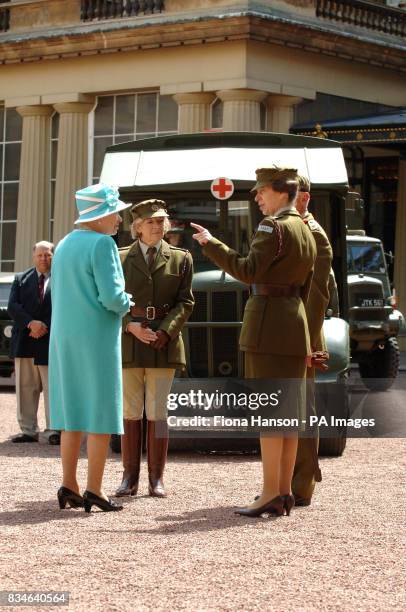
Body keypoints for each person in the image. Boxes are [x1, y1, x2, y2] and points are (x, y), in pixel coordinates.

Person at [191, 167, 317, 518]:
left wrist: (211, 244)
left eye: (261, 191)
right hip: (294, 324)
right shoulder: (304, 227)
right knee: (288, 415)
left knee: (269, 415)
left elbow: (247, 270)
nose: (258, 198)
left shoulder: (272, 226)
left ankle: (268, 494)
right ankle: (284, 492)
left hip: (268, 326)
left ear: (279, 191)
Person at [48, 183, 132, 513]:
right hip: (95, 337)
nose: (118, 220)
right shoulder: (102, 244)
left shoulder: (65, 243)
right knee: (100, 415)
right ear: (100, 216)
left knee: (71, 415)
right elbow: (112, 298)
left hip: (65, 337)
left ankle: (69, 484)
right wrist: (128, 303)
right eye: (115, 214)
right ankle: (95, 490)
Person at [115, 199, 194, 499]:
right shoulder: (120, 259)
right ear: (137, 227)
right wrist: (129, 325)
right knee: (131, 412)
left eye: (161, 221)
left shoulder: (181, 258)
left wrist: (166, 331)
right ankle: (129, 478)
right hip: (131, 343)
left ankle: (156, 479)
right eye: (151, 222)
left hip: (164, 343)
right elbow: (109, 300)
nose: (158, 226)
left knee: (158, 412)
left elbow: (185, 302)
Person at [292, 175, 333, 506]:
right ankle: (286, 481)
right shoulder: (292, 228)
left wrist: (306, 342)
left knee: (302, 409)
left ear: (303, 199)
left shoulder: (313, 234)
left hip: (304, 330)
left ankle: (301, 486)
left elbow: (318, 295)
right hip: (290, 328)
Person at [8, 241, 60, 445]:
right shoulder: (21, 279)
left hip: (49, 340)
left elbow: (64, 306)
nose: (43, 259)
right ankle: (28, 430)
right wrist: (31, 323)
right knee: (25, 387)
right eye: (40, 255)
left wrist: (43, 325)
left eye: (47, 255)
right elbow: (13, 306)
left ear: (53, 256)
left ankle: (53, 430)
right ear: (33, 256)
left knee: (52, 389)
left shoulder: (61, 279)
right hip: (26, 341)